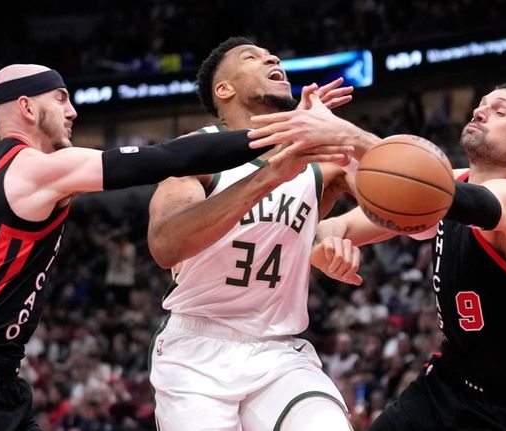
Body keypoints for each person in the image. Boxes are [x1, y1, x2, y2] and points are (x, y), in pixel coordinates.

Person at [0, 64, 346, 431]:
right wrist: (286, 132)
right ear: (26, 107)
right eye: (60, 98)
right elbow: (162, 159)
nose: (73, 111)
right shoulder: (28, 166)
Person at [252, 81, 506, 430]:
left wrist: (342, 134)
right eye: (481, 105)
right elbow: (335, 227)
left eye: (499, 111)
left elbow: (423, 182)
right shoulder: (446, 186)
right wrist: (327, 247)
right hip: (449, 387)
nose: (480, 111)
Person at [147, 37, 380, 431]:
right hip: (195, 351)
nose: (272, 57)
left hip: (279, 349)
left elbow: (417, 212)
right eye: (250, 57)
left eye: (271, 54)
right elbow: (166, 244)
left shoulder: (322, 158)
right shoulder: (197, 149)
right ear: (225, 90)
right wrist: (271, 173)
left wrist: (343, 133)